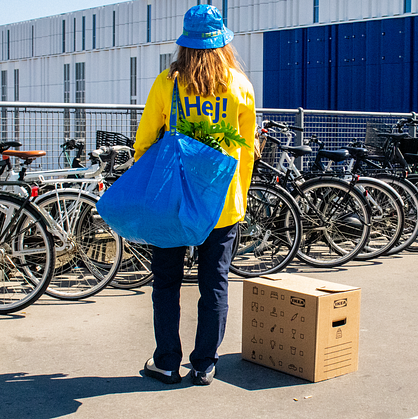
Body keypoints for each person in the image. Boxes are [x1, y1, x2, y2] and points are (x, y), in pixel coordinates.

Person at [133, 4, 256, 386]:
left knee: (166, 283)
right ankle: (204, 364)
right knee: (214, 284)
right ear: (223, 44)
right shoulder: (240, 86)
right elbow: (247, 151)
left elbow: (144, 143)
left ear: (184, 44)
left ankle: (167, 361)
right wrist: (240, 196)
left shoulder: (166, 83)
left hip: (172, 202)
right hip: (221, 202)